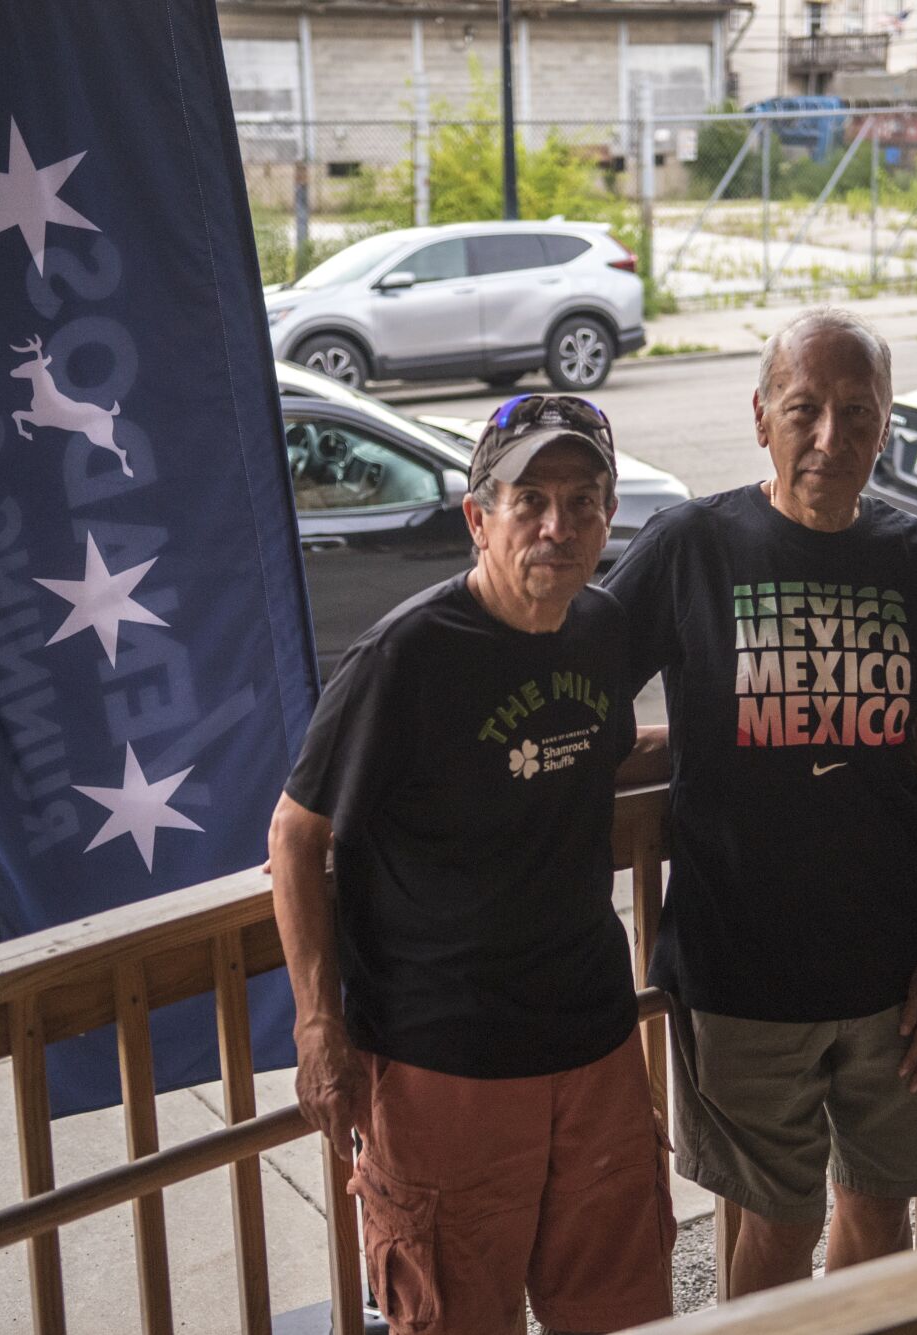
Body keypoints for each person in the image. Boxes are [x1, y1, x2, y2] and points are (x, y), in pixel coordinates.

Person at [267, 395, 674, 1335]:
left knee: (623, 1309)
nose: (556, 524)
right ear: (477, 516)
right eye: (530, 498)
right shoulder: (406, 656)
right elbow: (295, 834)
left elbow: (602, 748)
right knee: (454, 1316)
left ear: (610, 517)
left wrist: (731, 747)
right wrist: (319, 1026)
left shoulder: (601, 629)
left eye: (583, 500)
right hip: (442, 1062)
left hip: (594, 1043)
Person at [603, 309, 917, 1296]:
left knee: (879, 1207)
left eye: (856, 413)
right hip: (740, 974)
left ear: (885, 425)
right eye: (803, 410)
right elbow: (575, 677)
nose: (828, 439)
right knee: (772, 1223)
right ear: (759, 416)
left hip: (891, 972)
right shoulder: (693, 544)